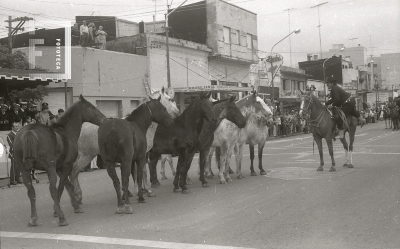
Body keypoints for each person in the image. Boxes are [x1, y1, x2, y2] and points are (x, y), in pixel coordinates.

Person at [7, 120, 22, 185]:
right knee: (13, 166)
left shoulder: (19, 133)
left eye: (18, 126)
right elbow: (11, 144)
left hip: (19, 152)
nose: (17, 127)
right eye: (16, 126)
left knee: (18, 165)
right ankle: (12, 180)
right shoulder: (10, 135)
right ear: (12, 128)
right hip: (13, 152)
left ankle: (18, 178)